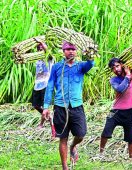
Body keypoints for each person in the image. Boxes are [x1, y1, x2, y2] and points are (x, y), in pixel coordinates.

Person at [42, 41, 94, 169]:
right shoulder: (57, 67)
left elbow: (90, 64)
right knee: (62, 138)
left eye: (73, 49)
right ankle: (65, 167)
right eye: (68, 49)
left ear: (77, 51)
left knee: (81, 134)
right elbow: (49, 86)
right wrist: (46, 106)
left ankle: (73, 146)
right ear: (63, 51)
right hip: (60, 107)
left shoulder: (80, 66)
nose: (71, 51)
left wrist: (90, 53)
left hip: (77, 106)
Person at [99, 57, 132, 159]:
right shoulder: (114, 80)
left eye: (117, 66)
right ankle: (101, 153)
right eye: (113, 68)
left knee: (131, 137)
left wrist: (130, 69)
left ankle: (131, 159)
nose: (116, 69)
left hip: (131, 111)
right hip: (116, 110)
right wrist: (128, 76)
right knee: (106, 132)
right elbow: (120, 89)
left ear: (122, 65)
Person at [31, 42, 54, 129]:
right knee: (35, 105)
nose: (40, 49)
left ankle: (43, 124)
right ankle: (49, 116)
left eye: (42, 47)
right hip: (37, 84)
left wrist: (42, 42)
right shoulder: (37, 59)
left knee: (45, 106)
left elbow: (47, 51)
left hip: (46, 84)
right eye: (39, 48)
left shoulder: (49, 58)